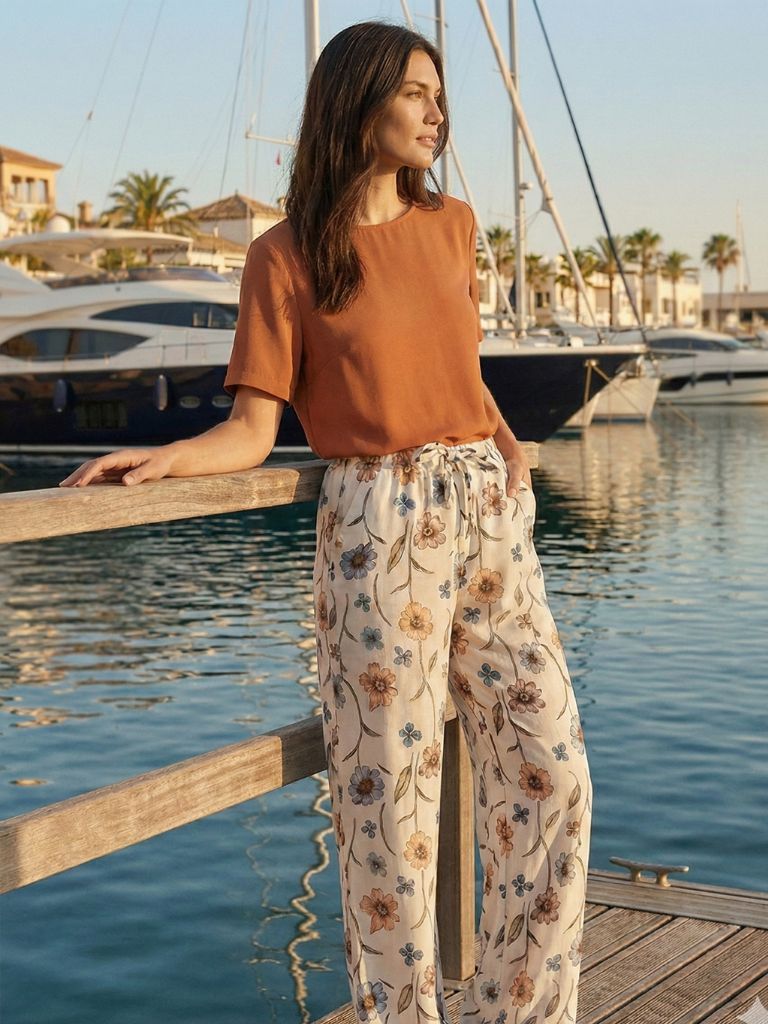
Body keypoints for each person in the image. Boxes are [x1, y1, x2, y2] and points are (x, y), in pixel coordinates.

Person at [60, 20, 593, 1024]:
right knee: (389, 802)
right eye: (417, 93)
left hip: (483, 503)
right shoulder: (287, 256)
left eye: (442, 95)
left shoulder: (455, 224)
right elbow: (256, 427)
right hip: (377, 527)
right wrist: (164, 458)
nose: (438, 112)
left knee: (551, 769)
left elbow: (459, 367)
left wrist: (505, 442)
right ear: (358, 102)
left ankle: (517, 1009)